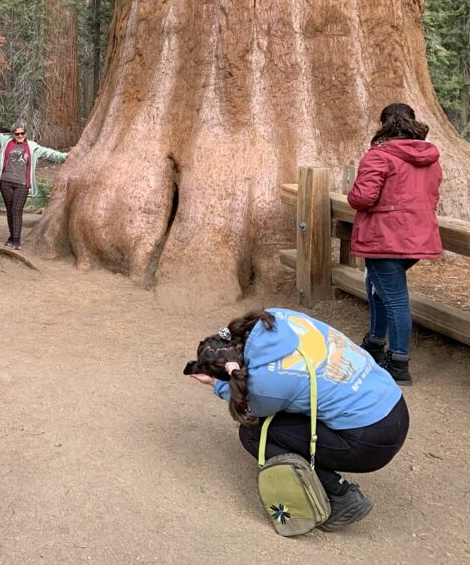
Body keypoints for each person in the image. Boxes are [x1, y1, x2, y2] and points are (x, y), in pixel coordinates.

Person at [187, 307, 409, 531]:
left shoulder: (265, 382)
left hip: (372, 440)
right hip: (392, 402)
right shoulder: (272, 318)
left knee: (254, 434)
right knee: (293, 404)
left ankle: (341, 495)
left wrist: (217, 385)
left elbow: (252, 410)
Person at [348, 103, 442, 385]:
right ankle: (376, 344)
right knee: (378, 289)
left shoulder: (379, 156)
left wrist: (353, 192)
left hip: (384, 238)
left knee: (395, 300)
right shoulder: (430, 158)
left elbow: (362, 198)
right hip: (417, 236)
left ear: (383, 124)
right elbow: (431, 195)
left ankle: (399, 363)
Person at [0, 115, 67, 250]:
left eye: (22, 133)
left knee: (16, 210)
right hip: (5, 181)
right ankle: (12, 237)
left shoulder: (32, 146)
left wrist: (64, 156)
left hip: (22, 183)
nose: (19, 136)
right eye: (16, 133)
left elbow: (49, 153)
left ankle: (17, 240)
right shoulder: (6, 141)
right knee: (10, 210)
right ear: (12, 134)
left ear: (26, 133)